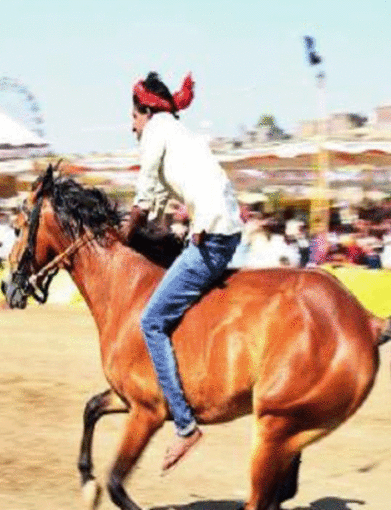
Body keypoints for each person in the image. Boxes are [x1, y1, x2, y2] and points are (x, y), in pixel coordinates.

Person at [120, 71, 243, 472]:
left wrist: (123, 232)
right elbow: (154, 198)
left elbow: (143, 194)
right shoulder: (175, 132)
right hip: (223, 231)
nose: (132, 125)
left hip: (212, 238)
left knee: (152, 321)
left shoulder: (157, 130)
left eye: (133, 117)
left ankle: (185, 425)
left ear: (146, 110)